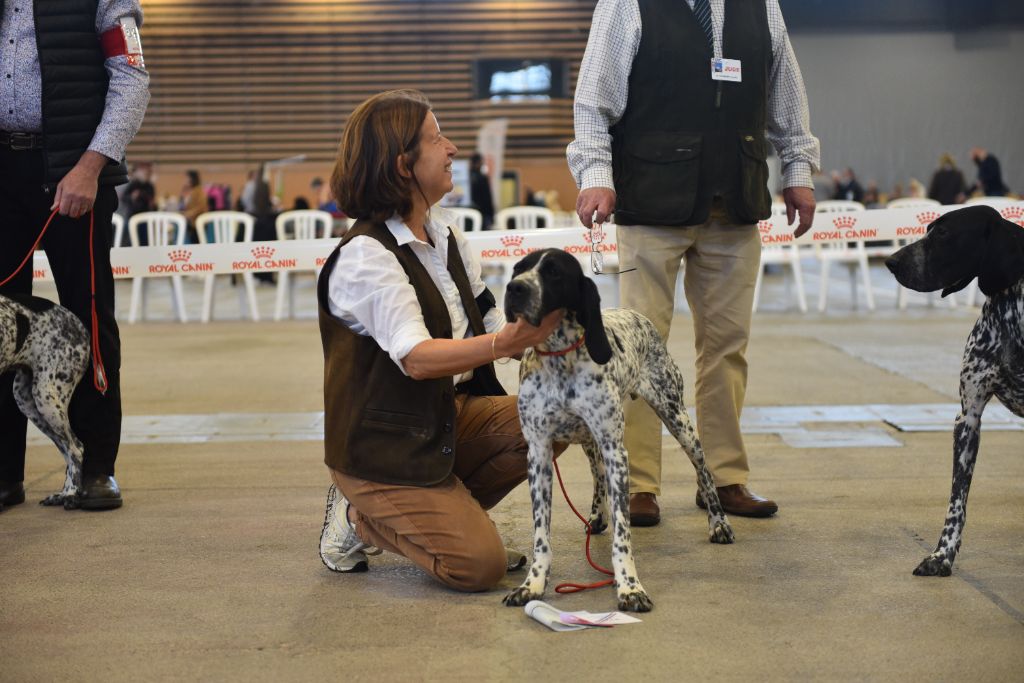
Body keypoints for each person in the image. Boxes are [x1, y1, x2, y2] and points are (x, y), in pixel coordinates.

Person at [569, 0, 819, 524]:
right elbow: (594, 100)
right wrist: (596, 173)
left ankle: (724, 479)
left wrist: (799, 169)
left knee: (728, 348)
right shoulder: (625, 4)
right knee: (638, 347)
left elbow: (786, 95)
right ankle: (637, 484)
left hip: (736, 204)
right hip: (650, 205)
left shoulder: (762, 6)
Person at [317, 89, 563, 590]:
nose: (452, 148)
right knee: (479, 568)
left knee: (561, 413)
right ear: (403, 164)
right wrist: (509, 344)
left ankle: (444, 515)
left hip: (442, 419)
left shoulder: (448, 237)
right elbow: (418, 360)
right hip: (382, 447)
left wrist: (557, 336)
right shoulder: (367, 256)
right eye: (437, 138)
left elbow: (490, 319)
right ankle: (365, 517)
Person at [0, 0, 150, 511]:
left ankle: (96, 470)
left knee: (88, 317)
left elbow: (131, 79)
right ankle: (3, 475)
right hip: (3, 175)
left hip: (72, 171)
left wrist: (90, 167)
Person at [469, 152, 495, 229]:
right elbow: (488, 198)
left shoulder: (466, 177)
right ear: (479, 163)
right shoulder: (483, 178)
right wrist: (491, 215)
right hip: (482, 212)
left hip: (469, 211)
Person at [181, 169, 207, 242]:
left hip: (198, 221)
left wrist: (189, 213)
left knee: (197, 243)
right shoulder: (188, 190)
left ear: (192, 178)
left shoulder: (199, 190)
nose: (185, 180)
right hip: (191, 222)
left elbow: (201, 206)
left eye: (186, 178)